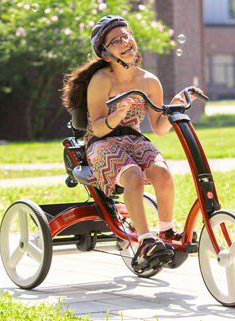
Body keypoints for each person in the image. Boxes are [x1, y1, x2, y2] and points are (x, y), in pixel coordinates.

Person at [61, 15, 203, 269]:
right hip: (101, 143)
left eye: (126, 35)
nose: (125, 41)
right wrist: (115, 115)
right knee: (134, 177)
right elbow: (98, 127)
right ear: (106, 54)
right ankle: (146, 242)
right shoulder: (101, 80)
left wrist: (176, 105)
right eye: (116, 41)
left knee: (162, 172)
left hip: (134, 140)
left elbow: (159, 128)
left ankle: (166, 231)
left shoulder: (149, 81)